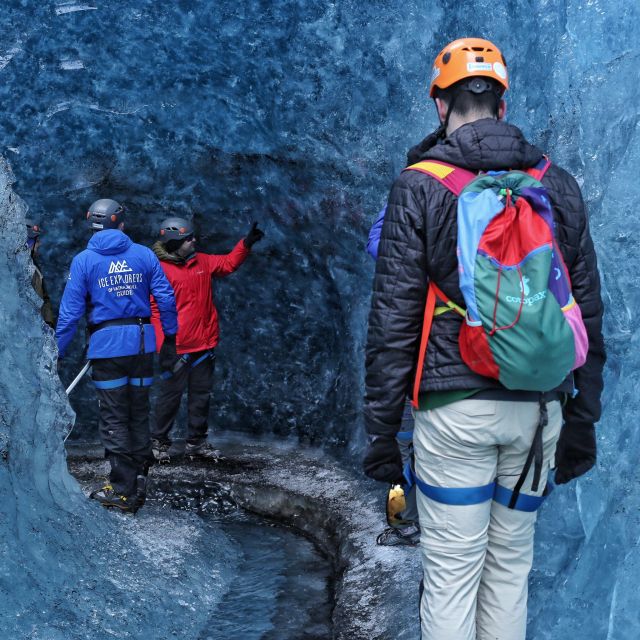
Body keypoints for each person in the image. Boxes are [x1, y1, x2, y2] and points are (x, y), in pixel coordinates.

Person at [363, 37, 605, 639]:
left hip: (454, 410)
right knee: (508, 572)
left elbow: (393, 319)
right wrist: (583, 420)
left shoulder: (419, 185)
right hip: (540, 410)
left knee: (451, 574)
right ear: (502, 102)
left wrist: (381, 432)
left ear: (440, 105)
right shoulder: (558, 184)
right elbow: (587, 312)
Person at [56, 199, 178, 513]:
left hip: (108, 347)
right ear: (120, 223)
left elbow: (70, 315)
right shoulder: (144, 255)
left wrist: (56, 352)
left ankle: (123, 490)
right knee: (137, 412)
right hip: (141, 344)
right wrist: (171, 338)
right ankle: (138, 479)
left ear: (91, 223)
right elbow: (164, 296)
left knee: (114, 417)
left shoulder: (84, 261)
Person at [150, 217, 264, 462]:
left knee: (201, 396)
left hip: (203, 345)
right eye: (188, 238)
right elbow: (154, 311)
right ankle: (158, 442)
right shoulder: (158, 269)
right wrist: (164, 345)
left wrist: (245, 244)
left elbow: (227, 263)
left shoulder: (201, 261)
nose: (194, 241)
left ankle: (196, 442)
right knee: (170, 398)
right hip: (176, 349)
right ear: (173, 243)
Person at [367, 208, 420, 547]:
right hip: (439, 383)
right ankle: (411, 521)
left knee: (403, 453)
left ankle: (403, 522)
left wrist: (398, 201)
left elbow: (376, 243)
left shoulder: (400, 273)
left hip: (407, 381)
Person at [25, 218, 55, 328]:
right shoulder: (26, 269)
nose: (40, 244)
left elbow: (45, 299)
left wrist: (48, 325)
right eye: (37, 241)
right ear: (29, 243)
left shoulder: (34, 266)